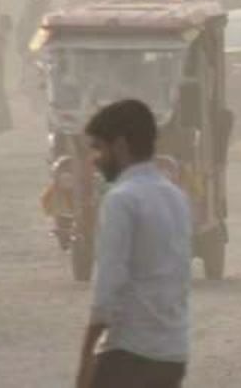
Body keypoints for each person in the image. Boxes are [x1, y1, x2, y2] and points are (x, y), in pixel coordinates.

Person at [76, 99, 191, 388]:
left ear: (121, 146)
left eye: (99, 147)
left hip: (129, 354)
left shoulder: (121, 200)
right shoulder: (175, 196)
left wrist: (85, 360)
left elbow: (108, 290)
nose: (96, 158)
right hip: (172, 354)